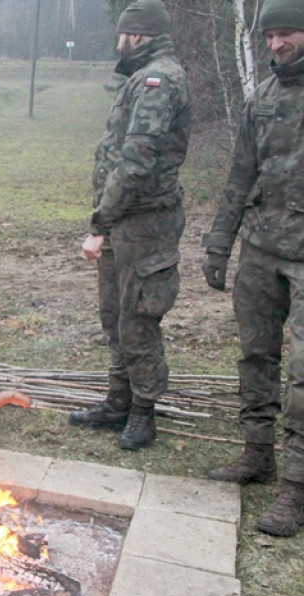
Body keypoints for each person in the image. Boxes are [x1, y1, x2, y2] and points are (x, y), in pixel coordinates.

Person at [68, 0, 191, 450]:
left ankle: (143, 412)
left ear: (136, 35)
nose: (117, 41)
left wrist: (100, 223)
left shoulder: (159, 80)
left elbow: (136, 161)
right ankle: (118, 401)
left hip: (145, 225)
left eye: (123, 33)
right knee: (114, 315)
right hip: (124, 223)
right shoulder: (139, 77)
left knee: (138, 319)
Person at [201, 0, 304, 536]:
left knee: (303, 376)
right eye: (270, 37)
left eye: (287, 34)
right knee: (255, 356)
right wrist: (220, 243)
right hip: (262, 247)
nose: (276, 45)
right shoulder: (262, 96)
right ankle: (256, 455)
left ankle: (295, 488)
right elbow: (240, 174)